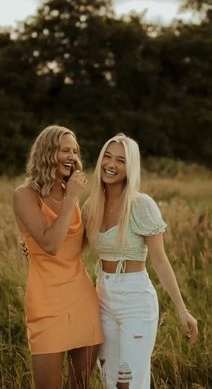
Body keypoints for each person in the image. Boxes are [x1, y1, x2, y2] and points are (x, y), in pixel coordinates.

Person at [82, 133, 198, 389]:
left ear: (130, 167)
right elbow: (69, 249)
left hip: (135, 300)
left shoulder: (141, 204)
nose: (111, 165)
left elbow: (160, 259)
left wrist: (182, 309)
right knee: (110, 380)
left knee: (129, 382)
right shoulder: (91, 206)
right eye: (108, 157)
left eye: (121, 160)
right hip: (102, 297)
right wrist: (31, 246)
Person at [13, 125, 104, 389]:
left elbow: (76, 247)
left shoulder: (71, 196)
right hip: (46, 304)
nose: (72, 156)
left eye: (75, 151)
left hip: (82, 299)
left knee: (80, 385)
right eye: (65, 150)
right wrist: (72, 198)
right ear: (47, 152)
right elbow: (51, 245)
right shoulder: (24, 195)